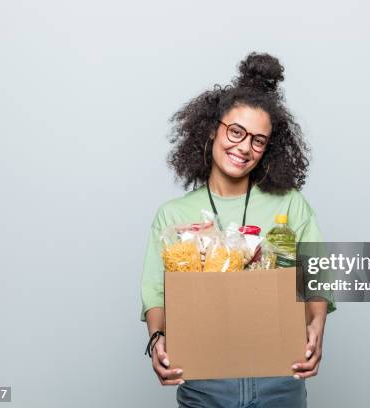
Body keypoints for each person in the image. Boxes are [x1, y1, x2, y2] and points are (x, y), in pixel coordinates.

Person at [140, 51, 336, 407]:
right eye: (236, 131)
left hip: (280, 379)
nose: (244, 147)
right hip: (204, 383)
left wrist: (317, 324)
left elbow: (317, 275)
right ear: (212, 129)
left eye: (258, 140)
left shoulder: (289, 204)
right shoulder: (173, 216)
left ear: (268, 148)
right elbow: (156, 292)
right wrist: (157, 340)